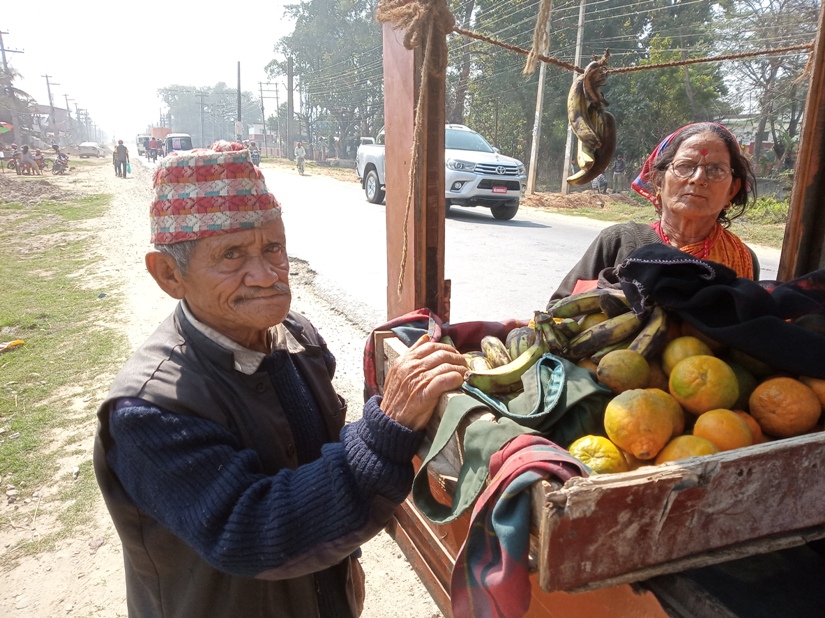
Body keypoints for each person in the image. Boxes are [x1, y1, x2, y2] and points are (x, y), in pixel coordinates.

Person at [93, 140, 468, 618]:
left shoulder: (298, 339)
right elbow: (252, 533)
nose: (268, 274)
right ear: (169, 274)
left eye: (273, 247)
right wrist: (386, 430)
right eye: (232, 255)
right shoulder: (149, 410)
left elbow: (322, 461)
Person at [548, 122, 760, 302]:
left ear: (732, 190)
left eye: (716, 170)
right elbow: (561, 309)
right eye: (685, 166)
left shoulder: (743, 259)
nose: (698, 178)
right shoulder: (619, 242)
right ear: (658, 181)